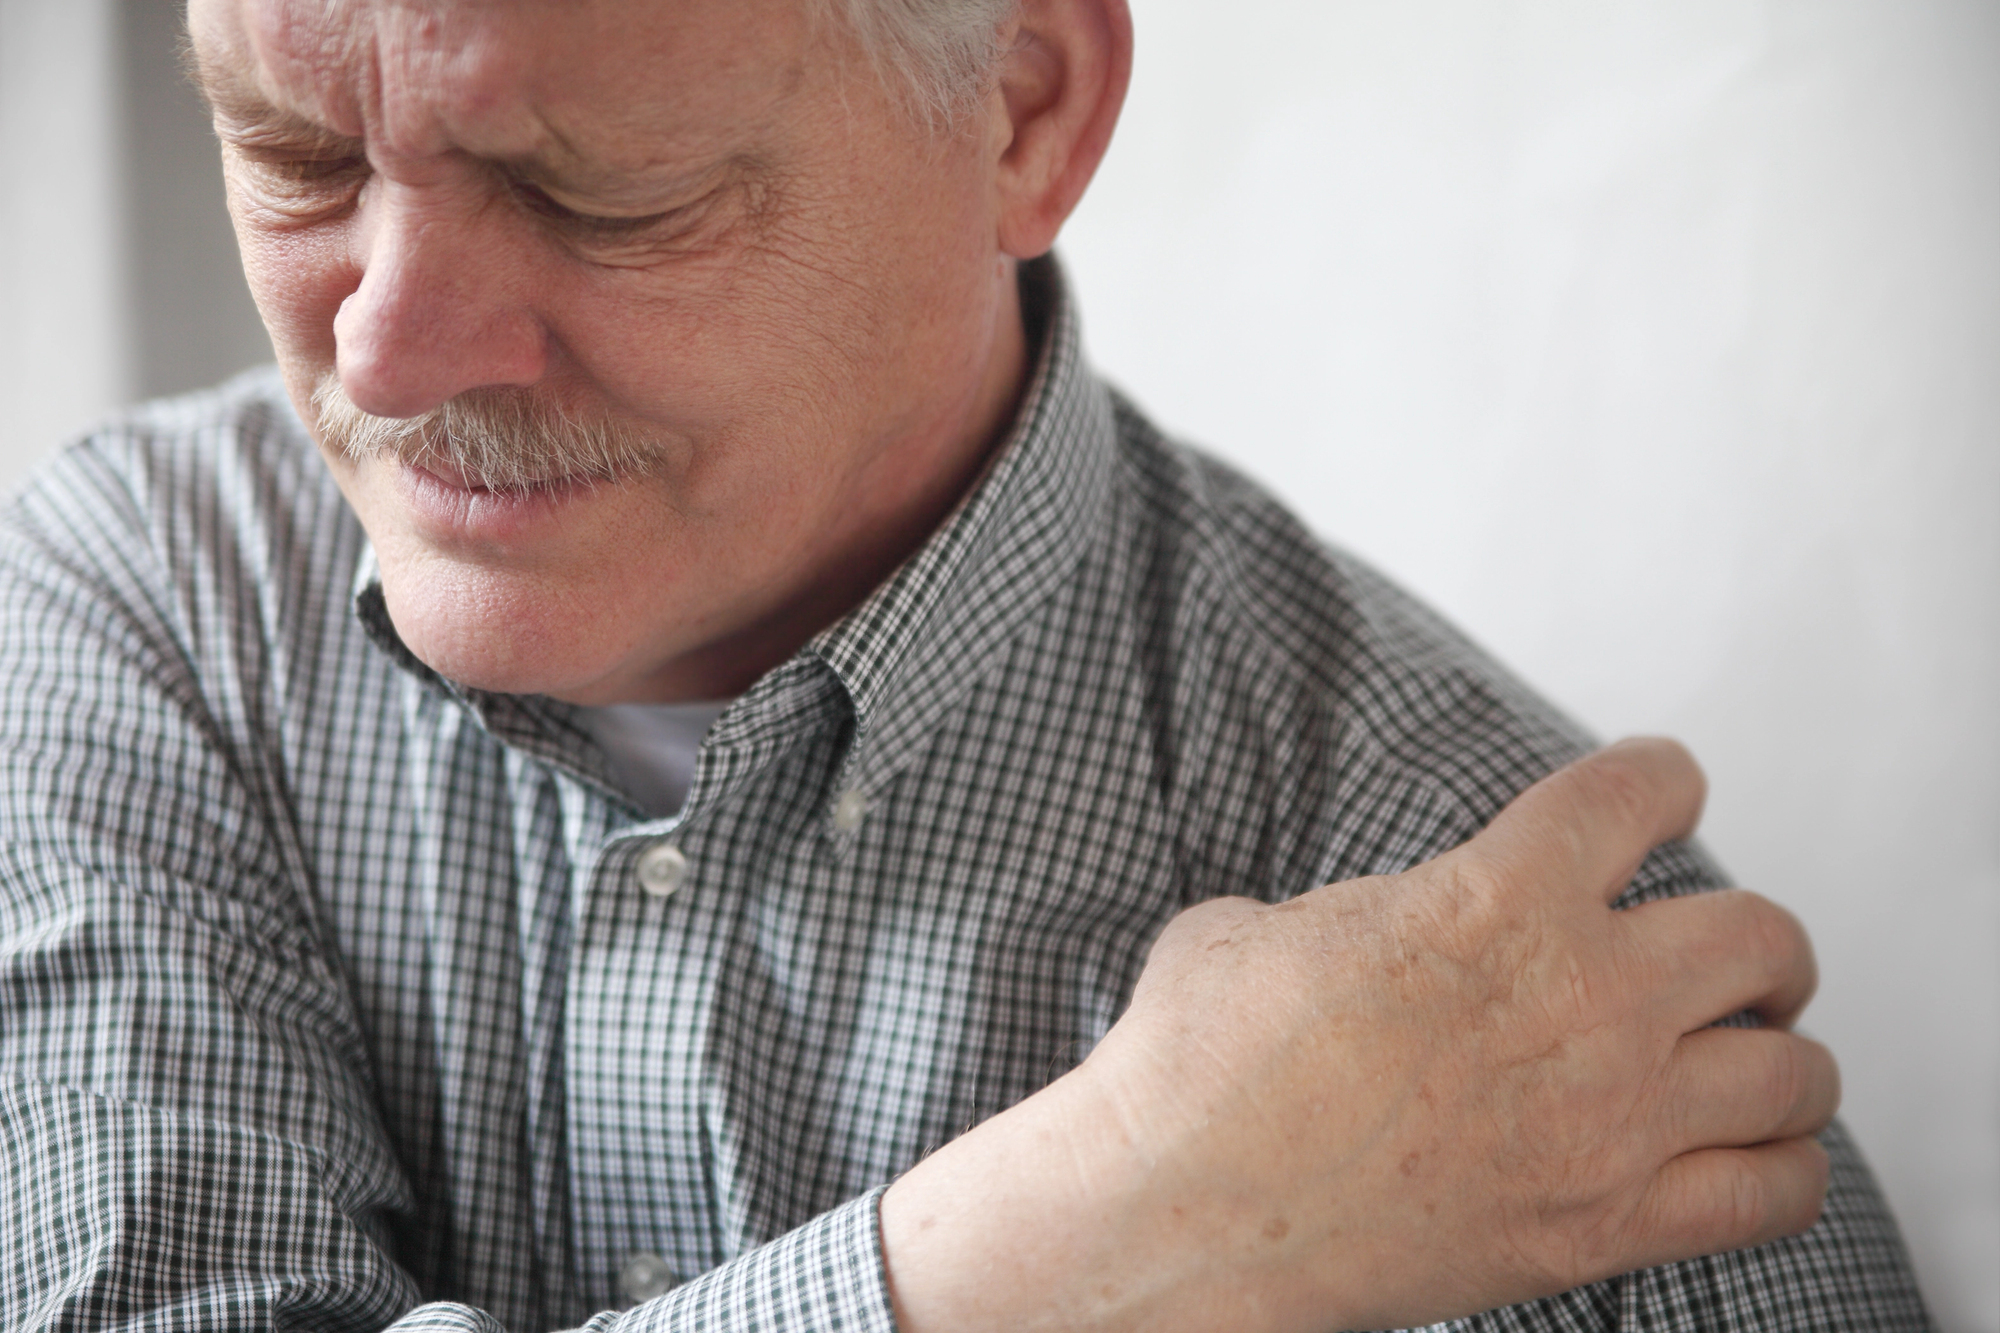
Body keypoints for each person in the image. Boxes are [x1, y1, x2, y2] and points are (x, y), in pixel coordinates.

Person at [0, 0, 1929, 1329]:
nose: (393, 354)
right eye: (292, 156)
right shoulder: (134, 604)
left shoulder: (1543, 1003)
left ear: (1024, 104)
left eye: (604, 199)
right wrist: (1119, 1230)